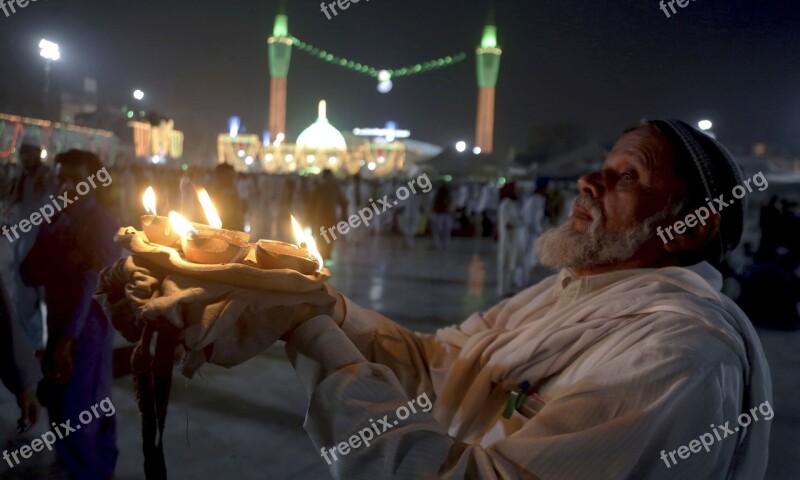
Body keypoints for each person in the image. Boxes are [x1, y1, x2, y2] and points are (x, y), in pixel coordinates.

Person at [274, 120, 770, 479]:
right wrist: (323, 310)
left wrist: (318, 340)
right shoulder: (570, 294)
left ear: (691, 228)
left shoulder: (677, 353)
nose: (587, 183)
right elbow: (439, 366)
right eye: (602, 168)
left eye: (627, 177)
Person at [21, 150, 120, 480]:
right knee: (59, 405)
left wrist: (67, 341)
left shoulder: (102, 223)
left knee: (84, 409)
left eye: (77, 179)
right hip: (57, 325)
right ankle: (74, 467)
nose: (66, 186)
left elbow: (91, 284)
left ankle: (95, 471)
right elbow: (29, 271)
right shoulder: (54, 218)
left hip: (86, 332)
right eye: (62, 178)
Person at [308, 169, 348, 261]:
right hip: (330, 216)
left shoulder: (319, 187)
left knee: (321, 236)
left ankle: (321, 254)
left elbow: (311, 205)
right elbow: (343, 203)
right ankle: (326, 254)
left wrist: (308, 218)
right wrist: (344, 216)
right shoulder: (334, 188)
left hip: (319, 217)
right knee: (329, 236)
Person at [496, 182, 525, 297]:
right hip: (507, 239)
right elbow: (507, 224)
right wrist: (520, 223)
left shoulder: (512, 204)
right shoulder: (505, 204)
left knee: (510, 265)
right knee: (504, 264)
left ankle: (507, 288)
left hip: (513, 240)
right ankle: (502, 290)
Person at [429, 181, 453, 249]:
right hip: (439, 212)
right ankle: (439, 243)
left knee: (440, 229)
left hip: (443, 212)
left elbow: (448, 202)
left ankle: (440, 243)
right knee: (439, 229)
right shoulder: (438, 191)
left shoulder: (445, 192)